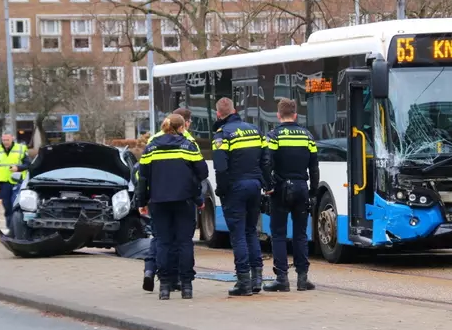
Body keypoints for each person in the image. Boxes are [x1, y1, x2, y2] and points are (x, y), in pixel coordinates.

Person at [136, 114, 208, 300]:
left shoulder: (151, 146)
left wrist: (141, 202)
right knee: (184, 243)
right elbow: (202, 172)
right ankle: (186, 286)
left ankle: (165, 287)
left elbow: (142, 178)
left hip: (158, 202)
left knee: (163, 243)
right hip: (184, 201)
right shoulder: (188, 145)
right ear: (182, 127)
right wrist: (196, 194)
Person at [212, 98, 271, 297]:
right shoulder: (254, 129)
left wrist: (222, 190)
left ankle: (243, 281)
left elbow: (220, 167)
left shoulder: (222, 135)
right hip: (254, 186)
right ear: (235, 110)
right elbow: (266, 159)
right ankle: (257, 279)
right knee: (251, 231)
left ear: (219, 114)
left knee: (237, 235)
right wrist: (265, 183)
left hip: (235, 187)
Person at [263, 99, 319, 292]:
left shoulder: (274, 135)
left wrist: (268, 185)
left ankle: (282, 279)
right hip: (302, 188)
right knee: (301, 234)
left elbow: (267, 162)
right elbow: (314, 167)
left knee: (278, 233)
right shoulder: (308, 136)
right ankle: (303, 279)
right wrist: (313, 192)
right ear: (295, 115)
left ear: (279, 115)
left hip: (280, 189)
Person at [0, 132, 31, 233]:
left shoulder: (20, 149)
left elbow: (28, 164)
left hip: (17, 182)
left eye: (7, 140)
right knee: (7, 206)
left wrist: (18, 168)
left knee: (16, 205)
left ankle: (17, 229)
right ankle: (10, 229)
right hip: (3, 183)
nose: (5, 142)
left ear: (12, 139)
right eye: (4, 140)